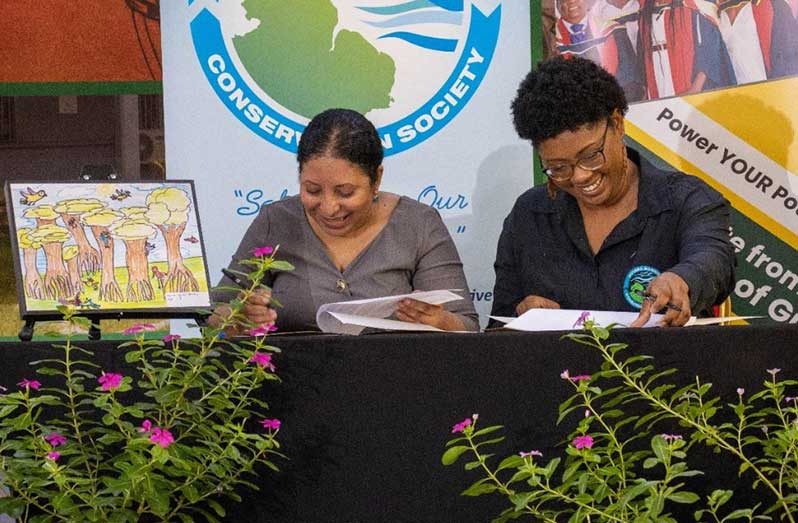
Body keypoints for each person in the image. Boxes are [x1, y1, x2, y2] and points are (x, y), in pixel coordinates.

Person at [491, 56, 735, 327]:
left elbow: (715, 260)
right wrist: (520, 317)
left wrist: (681, 280)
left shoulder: (685, 199)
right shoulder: (529, 216)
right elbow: (497, 332)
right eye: (558, 167)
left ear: (617, 123)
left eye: (591, 155)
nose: (580, 176)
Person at [210, 108, 478, 333]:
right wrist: (237, 317)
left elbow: (467, 326)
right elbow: (214, 314)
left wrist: (437, 321)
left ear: (377, 179)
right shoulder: (276, 221)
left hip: (398, 385)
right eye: (312, 190)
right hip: (290, 387)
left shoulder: (418, 224)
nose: (328, 208)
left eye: (346, 192)